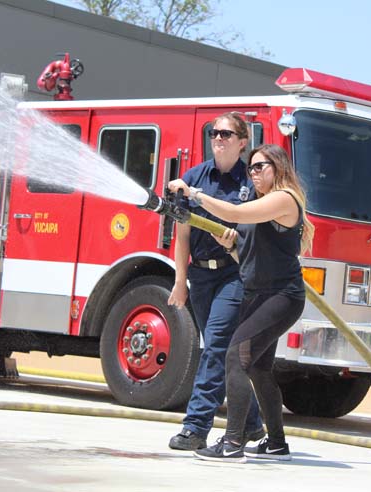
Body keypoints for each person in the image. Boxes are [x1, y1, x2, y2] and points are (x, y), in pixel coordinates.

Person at [169, 143, 315, 463]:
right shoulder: (263, 205)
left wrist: (194, 193)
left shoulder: (284, 199)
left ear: (279, 169)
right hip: (258, 295)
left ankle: (233, 442)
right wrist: (230, 246)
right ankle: (276, 443)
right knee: (260, 369)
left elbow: (233, 212)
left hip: (281, 296)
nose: (254, 174)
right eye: (251, 169)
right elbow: (248, 255)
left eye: (260, 167)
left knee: (235, 356)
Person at [167, 112, 264, 451]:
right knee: (223, 354)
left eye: (226, 133)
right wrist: (180, 282)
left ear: (242, 142)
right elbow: (182, 235)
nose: (218, 138)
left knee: (217, 346)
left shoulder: (250, 185)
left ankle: (195, 427)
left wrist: (236, 238)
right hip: (201, 276)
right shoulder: (194, 177)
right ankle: (252, 424)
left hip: (234, 275)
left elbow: (257, 233)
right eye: (213, 132)